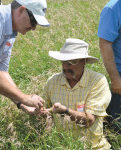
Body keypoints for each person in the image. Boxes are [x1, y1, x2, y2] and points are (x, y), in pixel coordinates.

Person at [0, 0, 49, 148]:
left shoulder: (11, 31)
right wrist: (24, 98)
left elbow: (1, 70)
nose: (33, 28)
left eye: (36, 24)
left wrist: (21, 103)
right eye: (33, 21)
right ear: (21, 10)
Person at [41, 38, 111, 149]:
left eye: (71, 62)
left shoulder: (97, 81)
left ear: (84, 61)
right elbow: (46, 112)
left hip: (93, 147)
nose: (65, 67)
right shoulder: (53, 81)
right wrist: (37, 110)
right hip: (62, 146)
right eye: (63, 61)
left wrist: (65, 111)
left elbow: (89, 120)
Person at [97, 0, 121, 134]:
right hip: (120, 74)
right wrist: (115, 78)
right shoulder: (113, 9)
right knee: (118, 127)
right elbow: (105, 44)